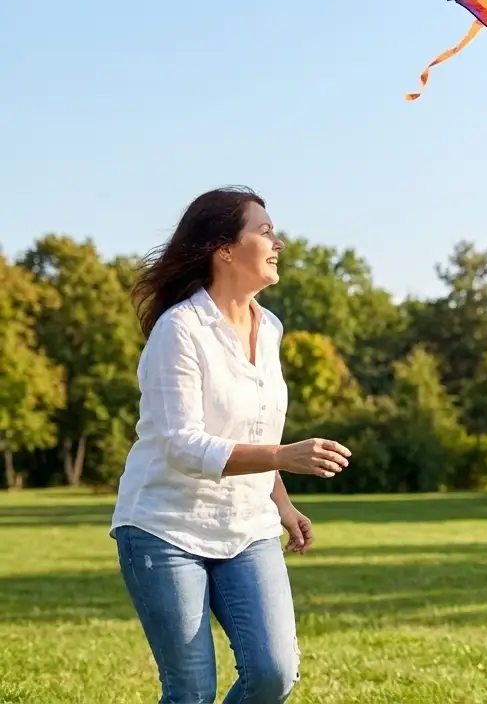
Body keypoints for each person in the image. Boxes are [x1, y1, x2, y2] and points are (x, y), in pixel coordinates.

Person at [111, 186, 353, 704]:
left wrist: (282, 504)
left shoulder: (270, 329)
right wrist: (283, 457)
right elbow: (181, 445)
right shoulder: (180, 330)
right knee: (191, 691)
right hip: (165, 528)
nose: (278, 241)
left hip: (247, 529)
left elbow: (258, 430)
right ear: (224, 249)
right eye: (264, 231)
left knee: (274, 673)